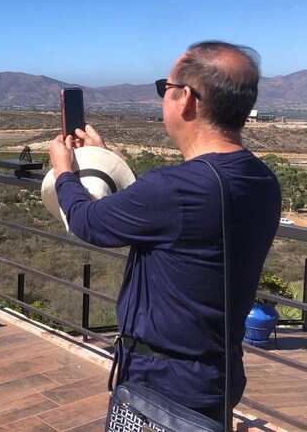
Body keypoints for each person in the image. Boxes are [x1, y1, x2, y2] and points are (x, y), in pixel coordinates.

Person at [47, 41, 281, 425]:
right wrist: (105, 160)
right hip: (217, 373)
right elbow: (172, 224)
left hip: (161, 382)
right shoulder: (262, 179)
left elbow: (86, 221)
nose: (164, 98)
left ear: (186, 99)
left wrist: (65, 170)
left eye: (165, 88)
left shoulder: (174, 189)